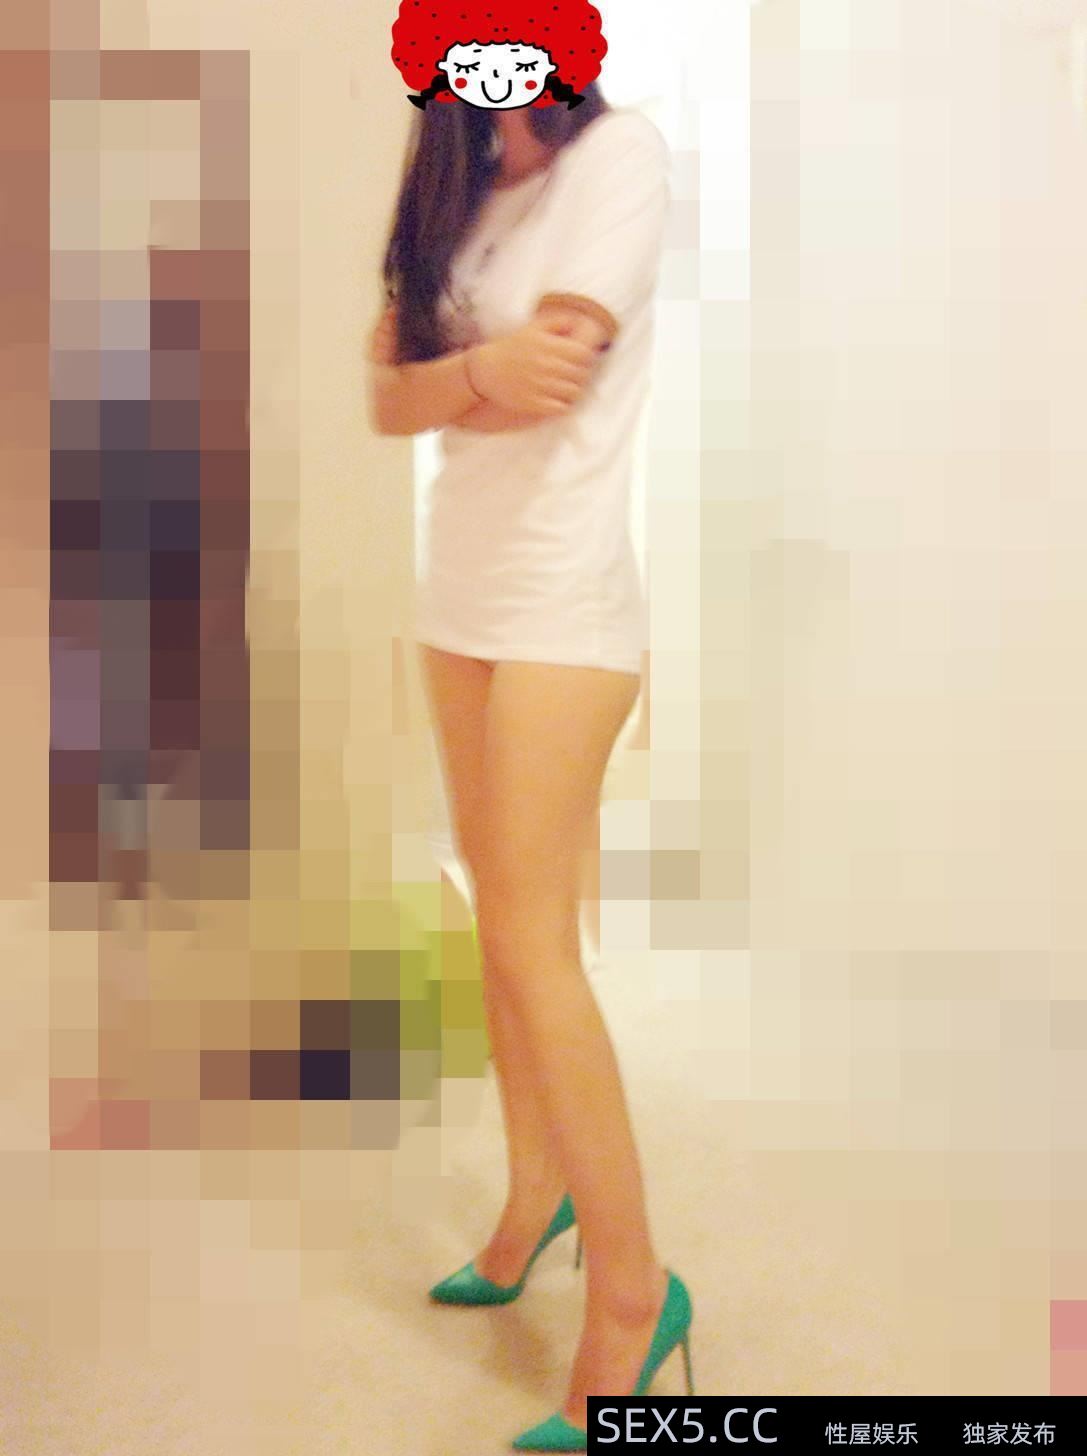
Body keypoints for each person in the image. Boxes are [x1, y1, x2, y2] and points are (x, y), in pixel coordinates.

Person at [367, 61, 693, 1453]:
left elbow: (552, 381)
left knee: (530, 942)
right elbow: (385, 399)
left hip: (565, 606)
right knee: (496, 930)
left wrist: (463, 380)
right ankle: (530, 1202)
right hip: (462, 600)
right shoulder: (448, 182)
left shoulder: (617, 157)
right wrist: (471, 377)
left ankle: (634, 1294)